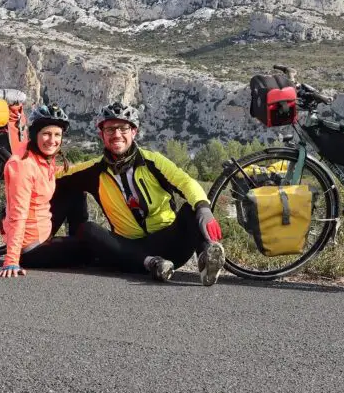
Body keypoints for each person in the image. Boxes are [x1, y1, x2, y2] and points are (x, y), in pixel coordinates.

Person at [51, 102, 225, 285]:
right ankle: (153, 265)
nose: (117, 134)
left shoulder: (153, 161)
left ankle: (207, 258)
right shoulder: (93, 170)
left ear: (134, 132)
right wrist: (23, 161)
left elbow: (185, 182)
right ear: (101, 134)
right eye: (110, 129)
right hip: (130, 251)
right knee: (88, 230)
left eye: (123, 128)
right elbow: (53, 174)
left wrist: (203, 208)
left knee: (192, 208)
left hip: (170, 243)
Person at [0, 104, 92, 278]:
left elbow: (54, 174)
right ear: (35, 135)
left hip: (43, 228)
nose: (52, 140)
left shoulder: (40, 156)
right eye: (46, 134)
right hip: (31, 249)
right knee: (91, 247)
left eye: (57, 135)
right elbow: (17, 214)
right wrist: (11, 259)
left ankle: (77, 239)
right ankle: (78, 244)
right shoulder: (22, 165)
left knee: (75, 191)